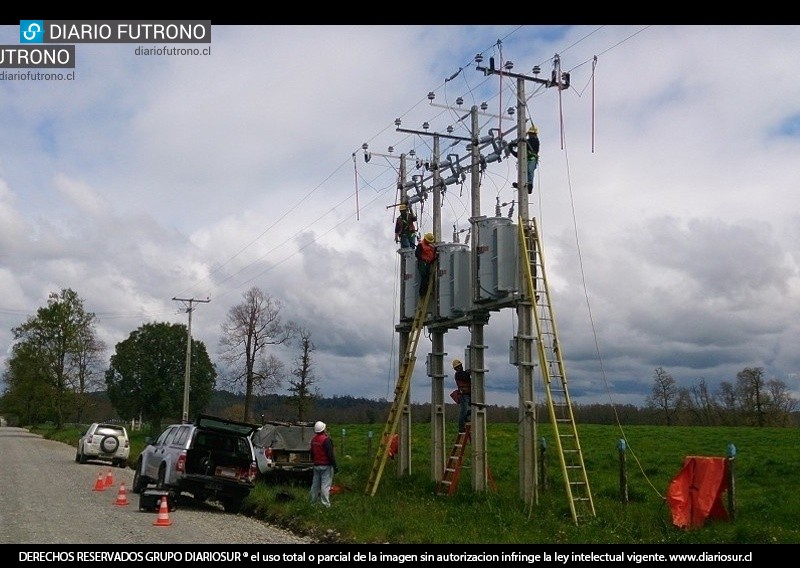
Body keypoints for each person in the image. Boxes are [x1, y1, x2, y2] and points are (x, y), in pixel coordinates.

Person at [309, 420, 338, 508]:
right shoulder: (326, 440)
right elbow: (330, 455)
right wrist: (335, 466)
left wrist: (314, 461)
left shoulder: (313, 440)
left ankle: (312, 503)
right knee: (325, 486)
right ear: (324, 429)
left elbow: (312, 452)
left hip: (316, 465)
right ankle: (326, 504)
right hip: (326, 466)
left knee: (315, 485)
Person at [508, 124, 540, 194]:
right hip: (525, 159)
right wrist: (512, 148)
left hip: (532, 159)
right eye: (530, 134)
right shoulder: (525, 144)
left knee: (529, 171)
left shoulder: (535, 141)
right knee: (523, 171)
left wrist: (518, 143)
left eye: (531, 134)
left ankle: (530, 186)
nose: (530, 135)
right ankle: (521, 183)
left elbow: (530, 144)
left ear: (534, 134)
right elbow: (518, 155)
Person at [415, 232, 437, 298]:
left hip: (428, 263)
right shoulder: (421, 245)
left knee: (427, 277)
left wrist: (434, 258)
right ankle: (422, 293)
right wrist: (423, 259)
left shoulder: (431, 246)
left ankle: (427, 290)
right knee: (424, 277)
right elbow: (417, 254)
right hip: (422, 263)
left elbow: (431, 255)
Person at [452, 359, 471, 433]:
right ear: (456, 368)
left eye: (460, 365)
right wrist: (469, 372)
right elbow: (466, 376)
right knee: (463, 411)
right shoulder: (458, 374)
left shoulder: (462, 373)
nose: (461, 367)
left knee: (472, 409)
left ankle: (465, 418)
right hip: (464, 395)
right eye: (459, 366)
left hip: (468, 394)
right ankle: (461, 427)